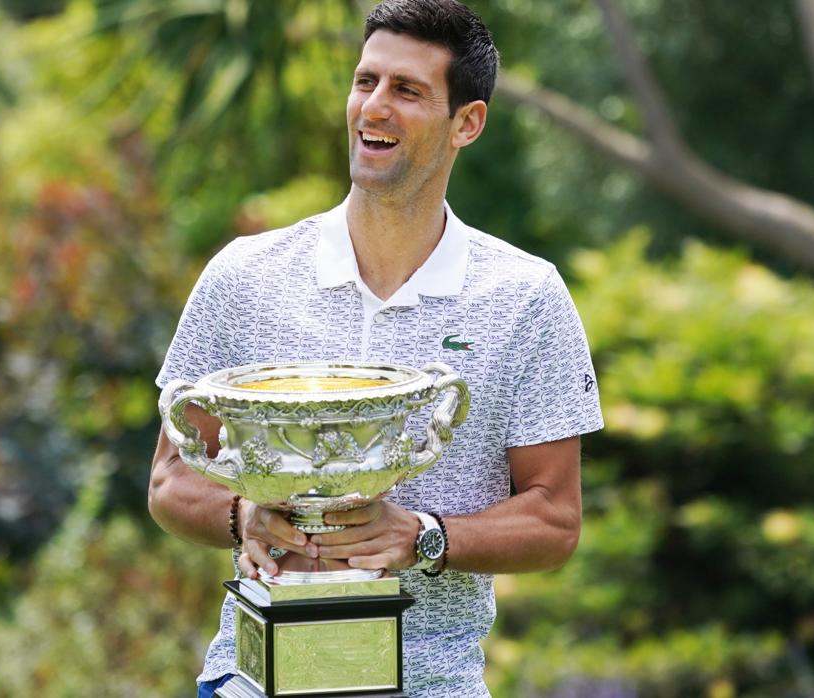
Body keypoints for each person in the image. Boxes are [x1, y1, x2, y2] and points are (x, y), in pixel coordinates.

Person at [149, 1, 603, 695]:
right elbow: (169, 481)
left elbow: (555, 517)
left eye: (408, 91)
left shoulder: (526, 296)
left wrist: (423, 536)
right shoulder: (243, 276)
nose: (374, 108)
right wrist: (245, 516)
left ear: (467, 123)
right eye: (366, 82)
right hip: (249, 682)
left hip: (433, 684)